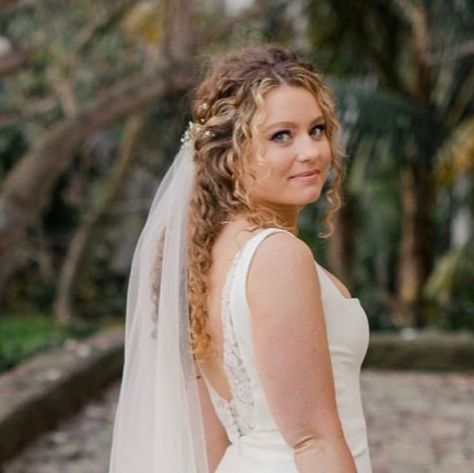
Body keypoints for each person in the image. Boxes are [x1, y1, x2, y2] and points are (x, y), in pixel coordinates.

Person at [108, 44, 372, 473]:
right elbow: (313, 440)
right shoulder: (277, 256)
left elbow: (209, 437)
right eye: (281, 135)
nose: (311, 151)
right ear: (231, 151)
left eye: (318, 129)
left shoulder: (205, 256)